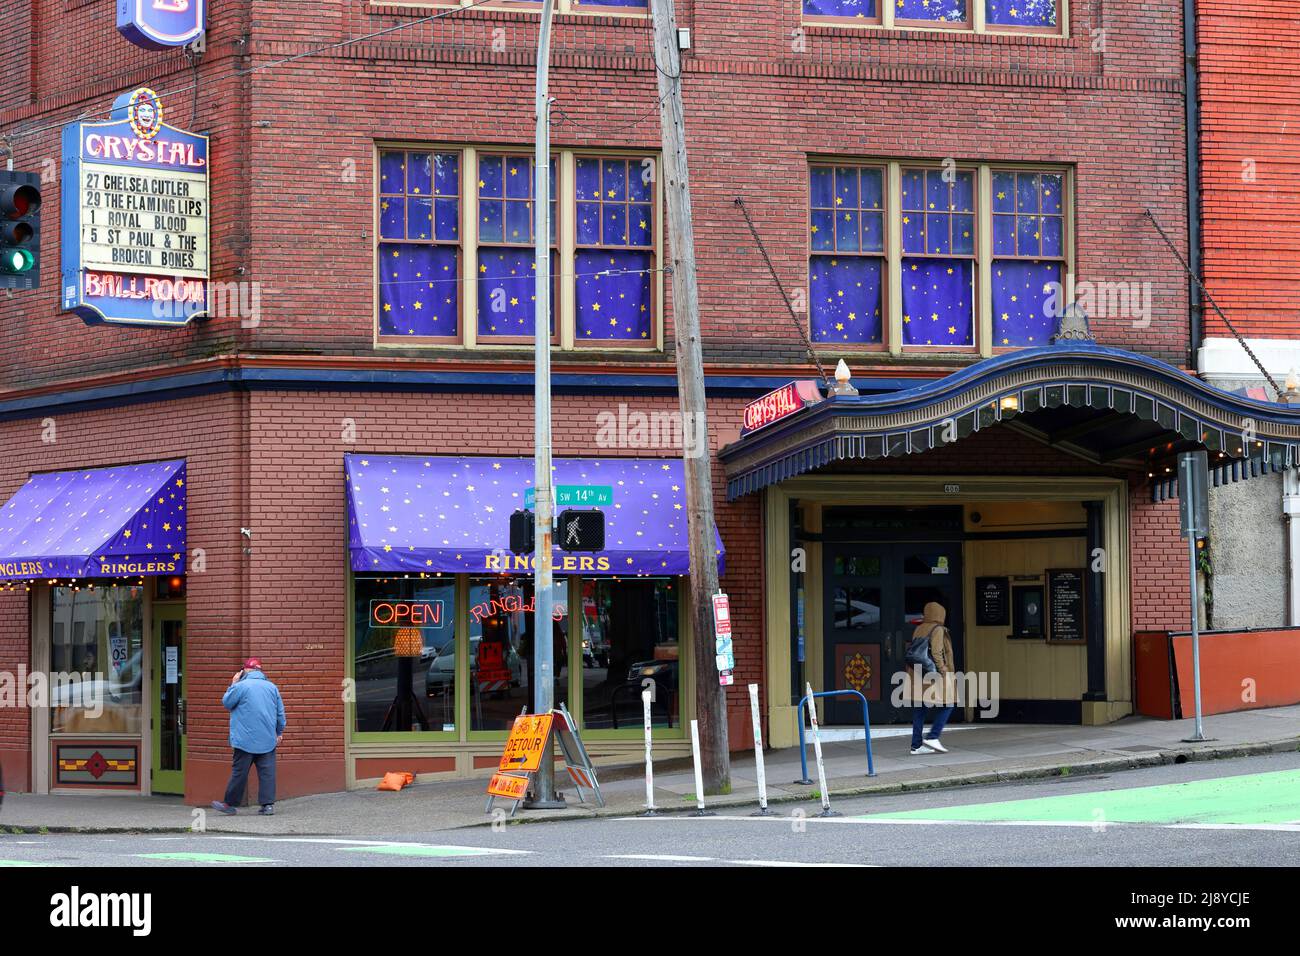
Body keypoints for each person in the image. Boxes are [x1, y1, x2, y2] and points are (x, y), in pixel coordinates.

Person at [211, 657, 286, 816]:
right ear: (260, 670)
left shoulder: (241, 686)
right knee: (267, 773)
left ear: (245, 670)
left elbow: (227, 703)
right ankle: (268, 806)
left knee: (240, 772)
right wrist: (279, 732)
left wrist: (233, 684)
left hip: (244, 739)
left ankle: (229, 804)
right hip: (267, 738)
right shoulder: (272, 687)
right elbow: (280, 714)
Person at [902, 601, 957, 755]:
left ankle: (916, 746)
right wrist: (944, 671)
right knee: (948, 703)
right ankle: (933, 736)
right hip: (934, 673)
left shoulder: (919, 628)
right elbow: (937, 653)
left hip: (918, 674)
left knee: (920, 709)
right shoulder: (938, 629)